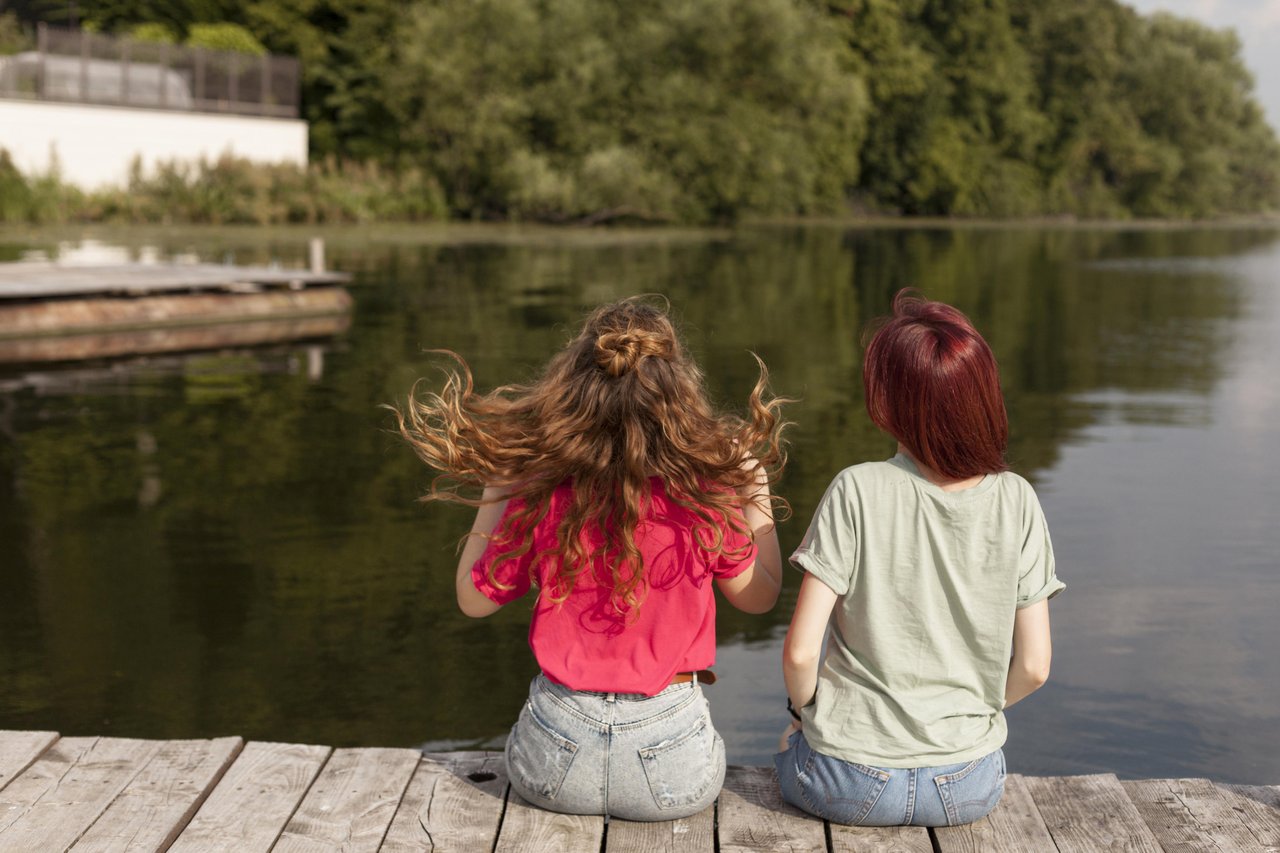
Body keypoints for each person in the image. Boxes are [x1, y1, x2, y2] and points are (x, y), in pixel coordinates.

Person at [395, 298, 788, 821]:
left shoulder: (543, 487)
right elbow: (760, 598)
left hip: (555, 763)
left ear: (572, 387)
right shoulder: (703, 489)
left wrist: (498, 491)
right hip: (671, 766)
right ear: (678, 392)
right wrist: (753, 487)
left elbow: (472, 600)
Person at [776, 290, 1063, 828]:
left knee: (789, 755)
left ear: (890, 403)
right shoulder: (1017, 497)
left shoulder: (856, 489)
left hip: (849, 780)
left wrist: (801, 715)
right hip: (967, 786)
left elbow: (798, 655)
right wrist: (963, 721)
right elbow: (1034, 666)